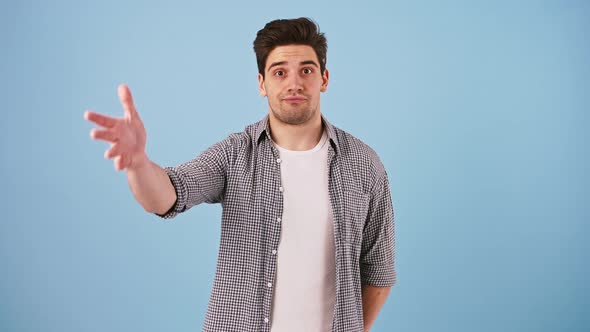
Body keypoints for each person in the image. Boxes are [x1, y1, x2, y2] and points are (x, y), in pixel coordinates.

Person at [84, 17, 396, 332]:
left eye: (307, 70)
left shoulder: (364, 165)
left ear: (324, 79)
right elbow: (168, 195)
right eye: (279, 72)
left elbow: (380, 274)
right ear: (262, 83)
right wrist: (138, 163)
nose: (294, 83)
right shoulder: (235, 154)